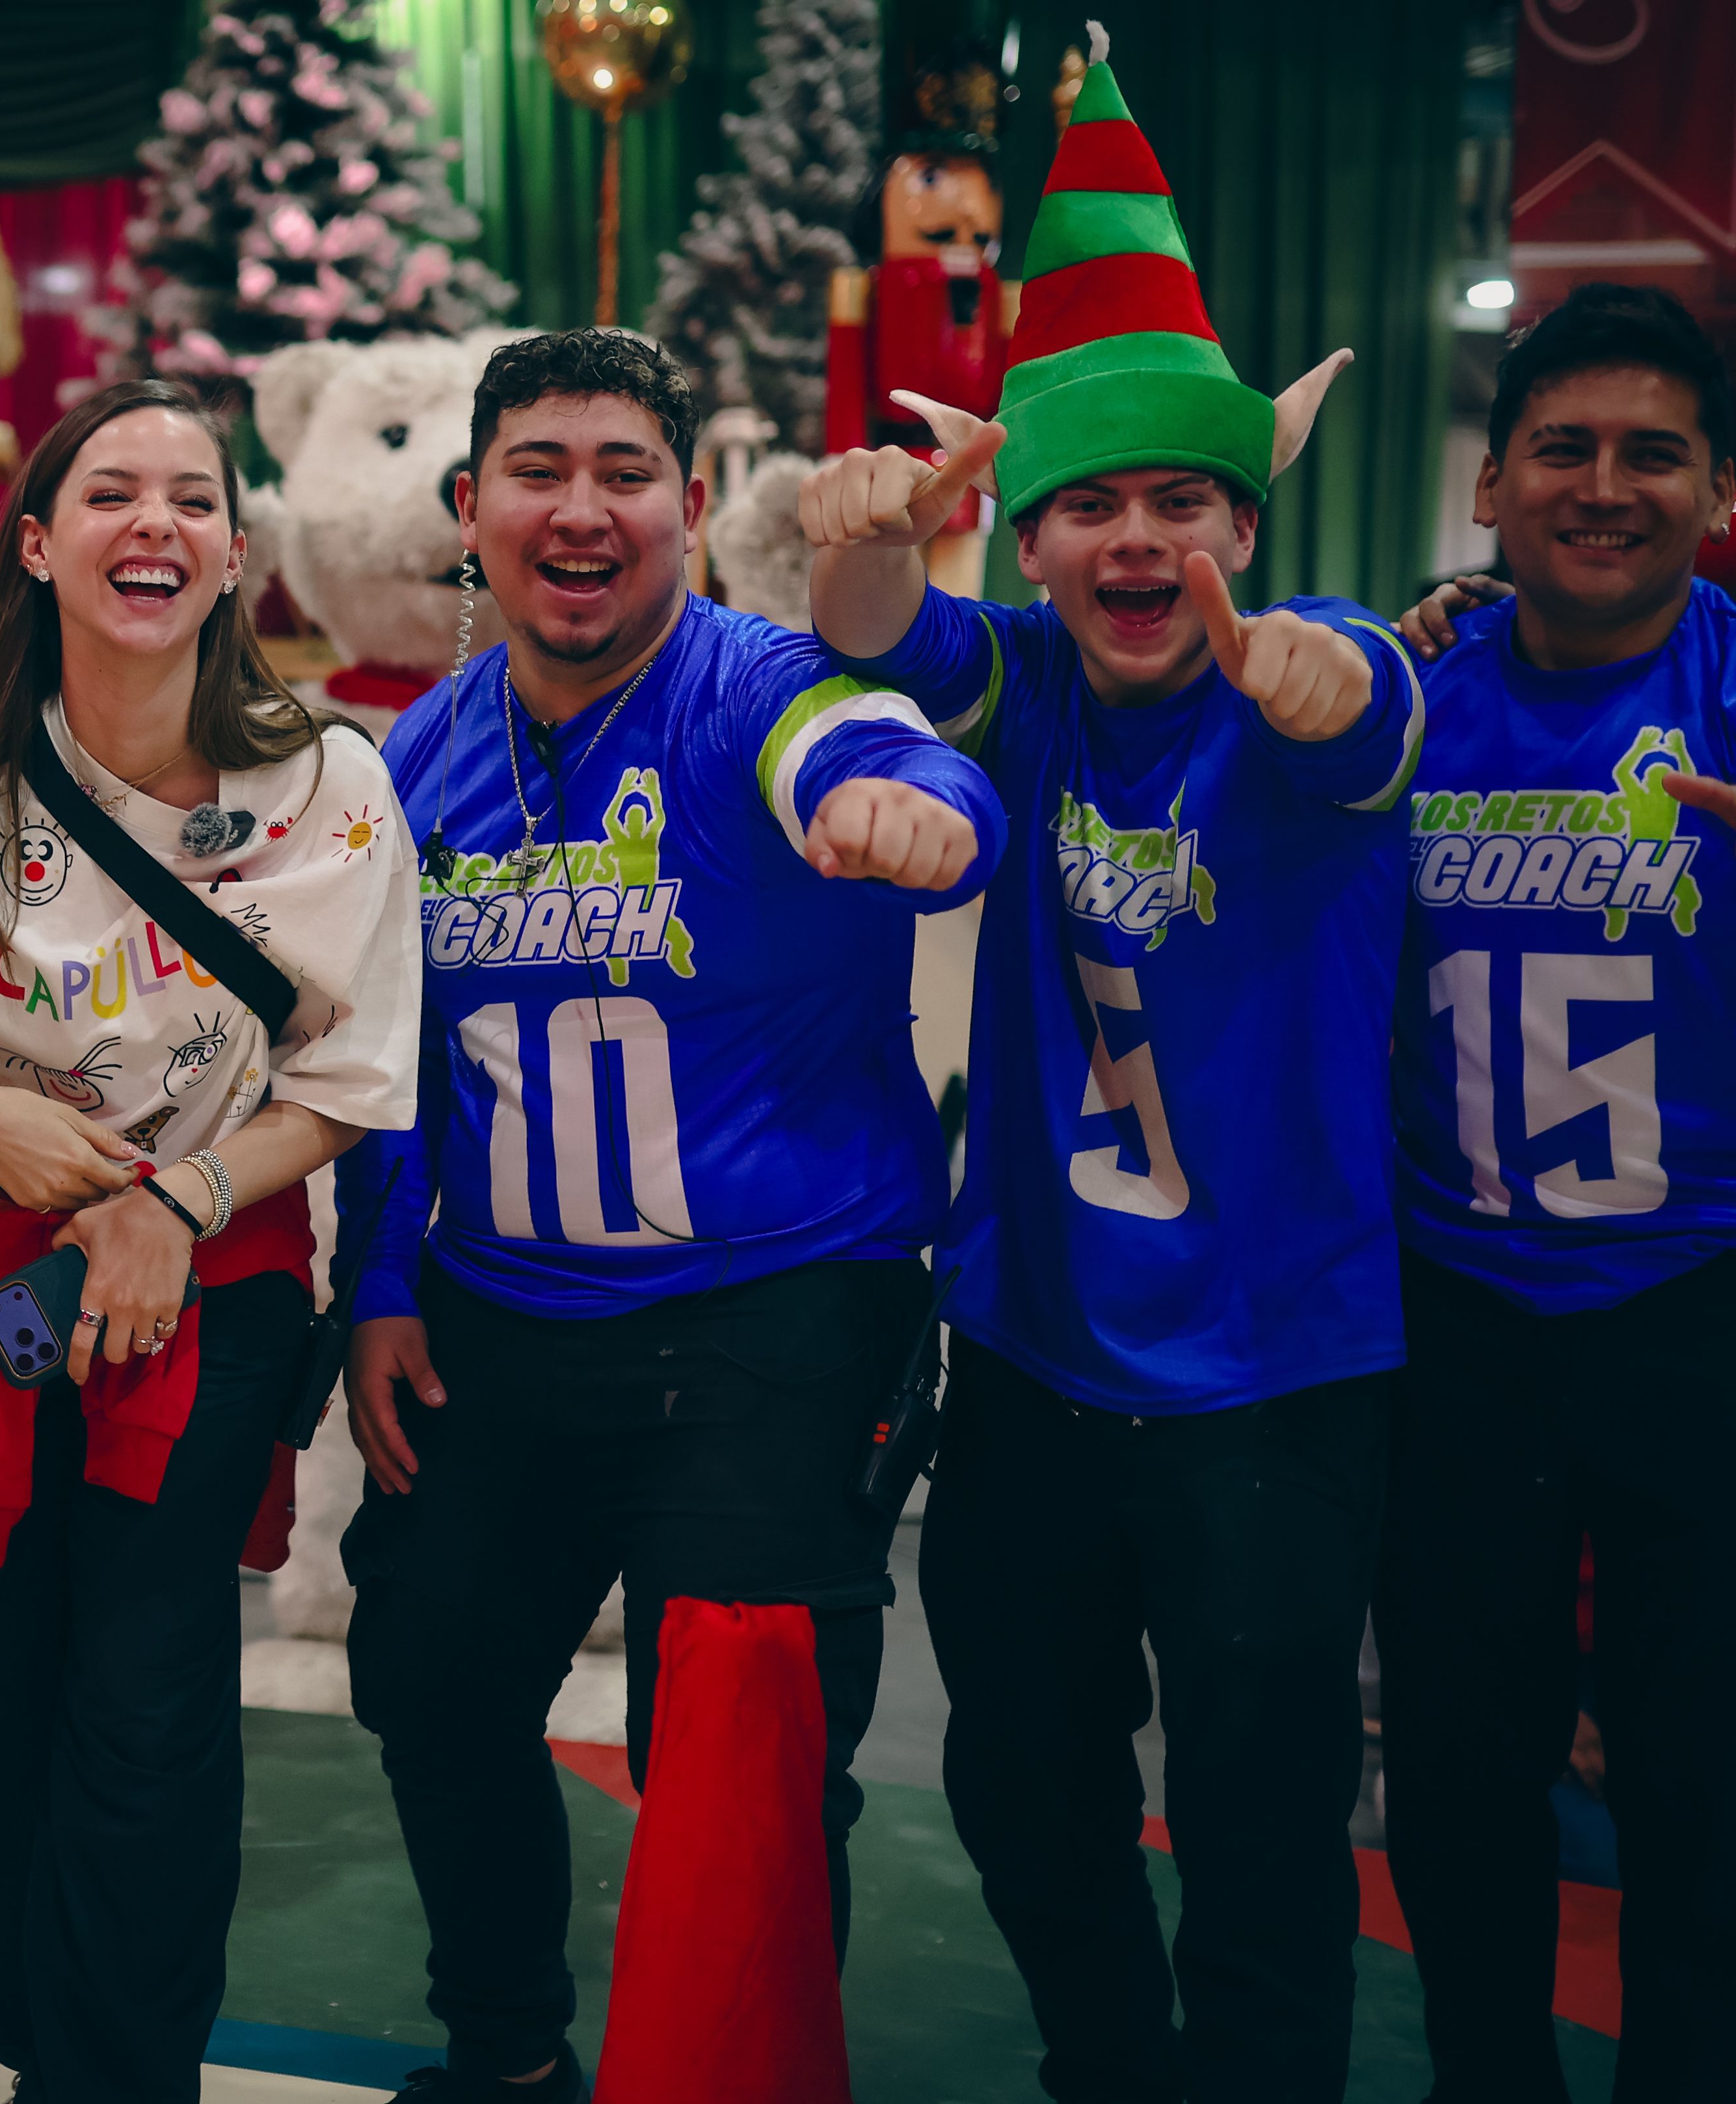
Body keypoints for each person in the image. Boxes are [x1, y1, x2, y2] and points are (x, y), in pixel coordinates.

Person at [795, 40, 1426, 2104]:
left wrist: (1324, 685)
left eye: (1182, 504)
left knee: (1259, 1825)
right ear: (1039, 541)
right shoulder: (1036, 676)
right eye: (1088, 510)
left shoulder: (1312, 665)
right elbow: (892, 630)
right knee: (1020, 1781)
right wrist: (878, 535)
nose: (1137, 542)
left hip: (1274, 1382)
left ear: (1245, 518)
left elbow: (1360, 717)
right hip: (1037, 1371)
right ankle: (1109, 2072)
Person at [333, 328, 999, 2103]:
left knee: (736, 1740)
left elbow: (877, 750)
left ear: (690, 513)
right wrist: (378, 1284)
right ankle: (506, 2053)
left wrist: (908, 804)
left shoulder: (761, 687)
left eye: (624, 472)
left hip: (775, 1318)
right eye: (536, 471)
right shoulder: (412, 760)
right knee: (425, 1673)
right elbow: (386, 1053)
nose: (580, 508)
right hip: (501, 1315)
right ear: (468, 511)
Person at [0, 377, 420, 2104]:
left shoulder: (327, 790)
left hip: (199, 1301)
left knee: (144, 1699)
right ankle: (22, 2018)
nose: (155, 522)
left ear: (232, 556)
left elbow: (352, 1082)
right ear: (39, 541)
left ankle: (114, 2077)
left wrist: (173, 1201)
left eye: (193, 499)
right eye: (112, 491)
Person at [1376, 282, 1736, 2102]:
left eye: (1650, 453)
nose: (1605, 487)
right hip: (1458, 1314)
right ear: (1492, 485)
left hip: (1697, 1304)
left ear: (1715, 487)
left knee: (1701, 1775)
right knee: (1454, 1761)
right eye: (1564, 450)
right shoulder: (1403, 693)